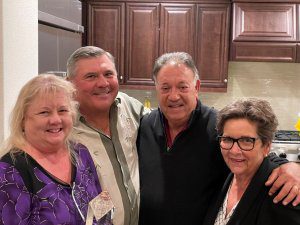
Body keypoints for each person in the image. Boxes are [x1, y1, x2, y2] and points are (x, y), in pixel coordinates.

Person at [137, 52, 300, 225]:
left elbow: (254, 155)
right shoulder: (145, 125)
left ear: (197, 87)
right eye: (165, 87)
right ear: (156, 88)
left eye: (182, 87)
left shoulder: (218, 126)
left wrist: (290, 167)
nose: (174, 96)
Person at [0, 74, 112, 224]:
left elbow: (101, 206)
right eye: (44, 112)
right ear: (22, 120)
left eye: (62, 110)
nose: (55, 120)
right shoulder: (9, 173)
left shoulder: (81, 153)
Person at [67, 46, 147, 225]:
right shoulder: (63, 129)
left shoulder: (130, 107)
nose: (103, 83)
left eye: (108, 74)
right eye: (91, 76)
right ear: (69, 83)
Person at [203, 98, 300, 224]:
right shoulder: (224, 174)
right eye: (227, 139)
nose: (234, 151)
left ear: (266, 146)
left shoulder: (283, 193)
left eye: (247, 140)